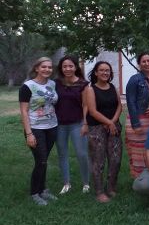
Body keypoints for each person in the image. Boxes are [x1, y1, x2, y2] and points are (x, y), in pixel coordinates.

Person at [18, 57, 58, 206]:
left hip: (52, 127)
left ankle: (43, 189)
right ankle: (35, 193)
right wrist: (29, 134)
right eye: (43, 67)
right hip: (35, 128)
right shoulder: (27, 86)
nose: (47, 69)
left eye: (49, 67)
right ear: (36, 68)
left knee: (44, 160)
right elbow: (24, 111)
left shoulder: (52, 84)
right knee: (41, 160)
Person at [86, 61, 123, 203]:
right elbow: (92, 111)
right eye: (101, 70)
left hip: (114, 127)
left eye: (107, 70)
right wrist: (109, 123)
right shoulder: (91, 90)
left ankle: (111, 187)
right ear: (96, 73)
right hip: (97, 129)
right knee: (98, 161)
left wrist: (112, 122)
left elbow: (119, 106)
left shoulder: (113, 87)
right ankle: (99, 191)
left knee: (116, 159)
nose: (105, 73)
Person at [55, 55, 90, 194]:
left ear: (76, 67)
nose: (68, 69)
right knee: (62, 154)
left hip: (77, 123)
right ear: (61, 68)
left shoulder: (83, 84)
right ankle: (66, 183)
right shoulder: (56, 83)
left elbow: (86, 105)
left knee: (82, 154)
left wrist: (85, 123)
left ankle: (86, 183)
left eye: (70, 66)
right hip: (59, 124)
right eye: (65, 66)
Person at [125, 52, 149, 179]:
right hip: (139, 119)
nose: (146, 63)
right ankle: (139, 180)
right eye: (143, 61)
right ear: (139, 64)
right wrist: (136, 124)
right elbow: (130, 102)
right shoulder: (134, 79)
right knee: (139, 152)